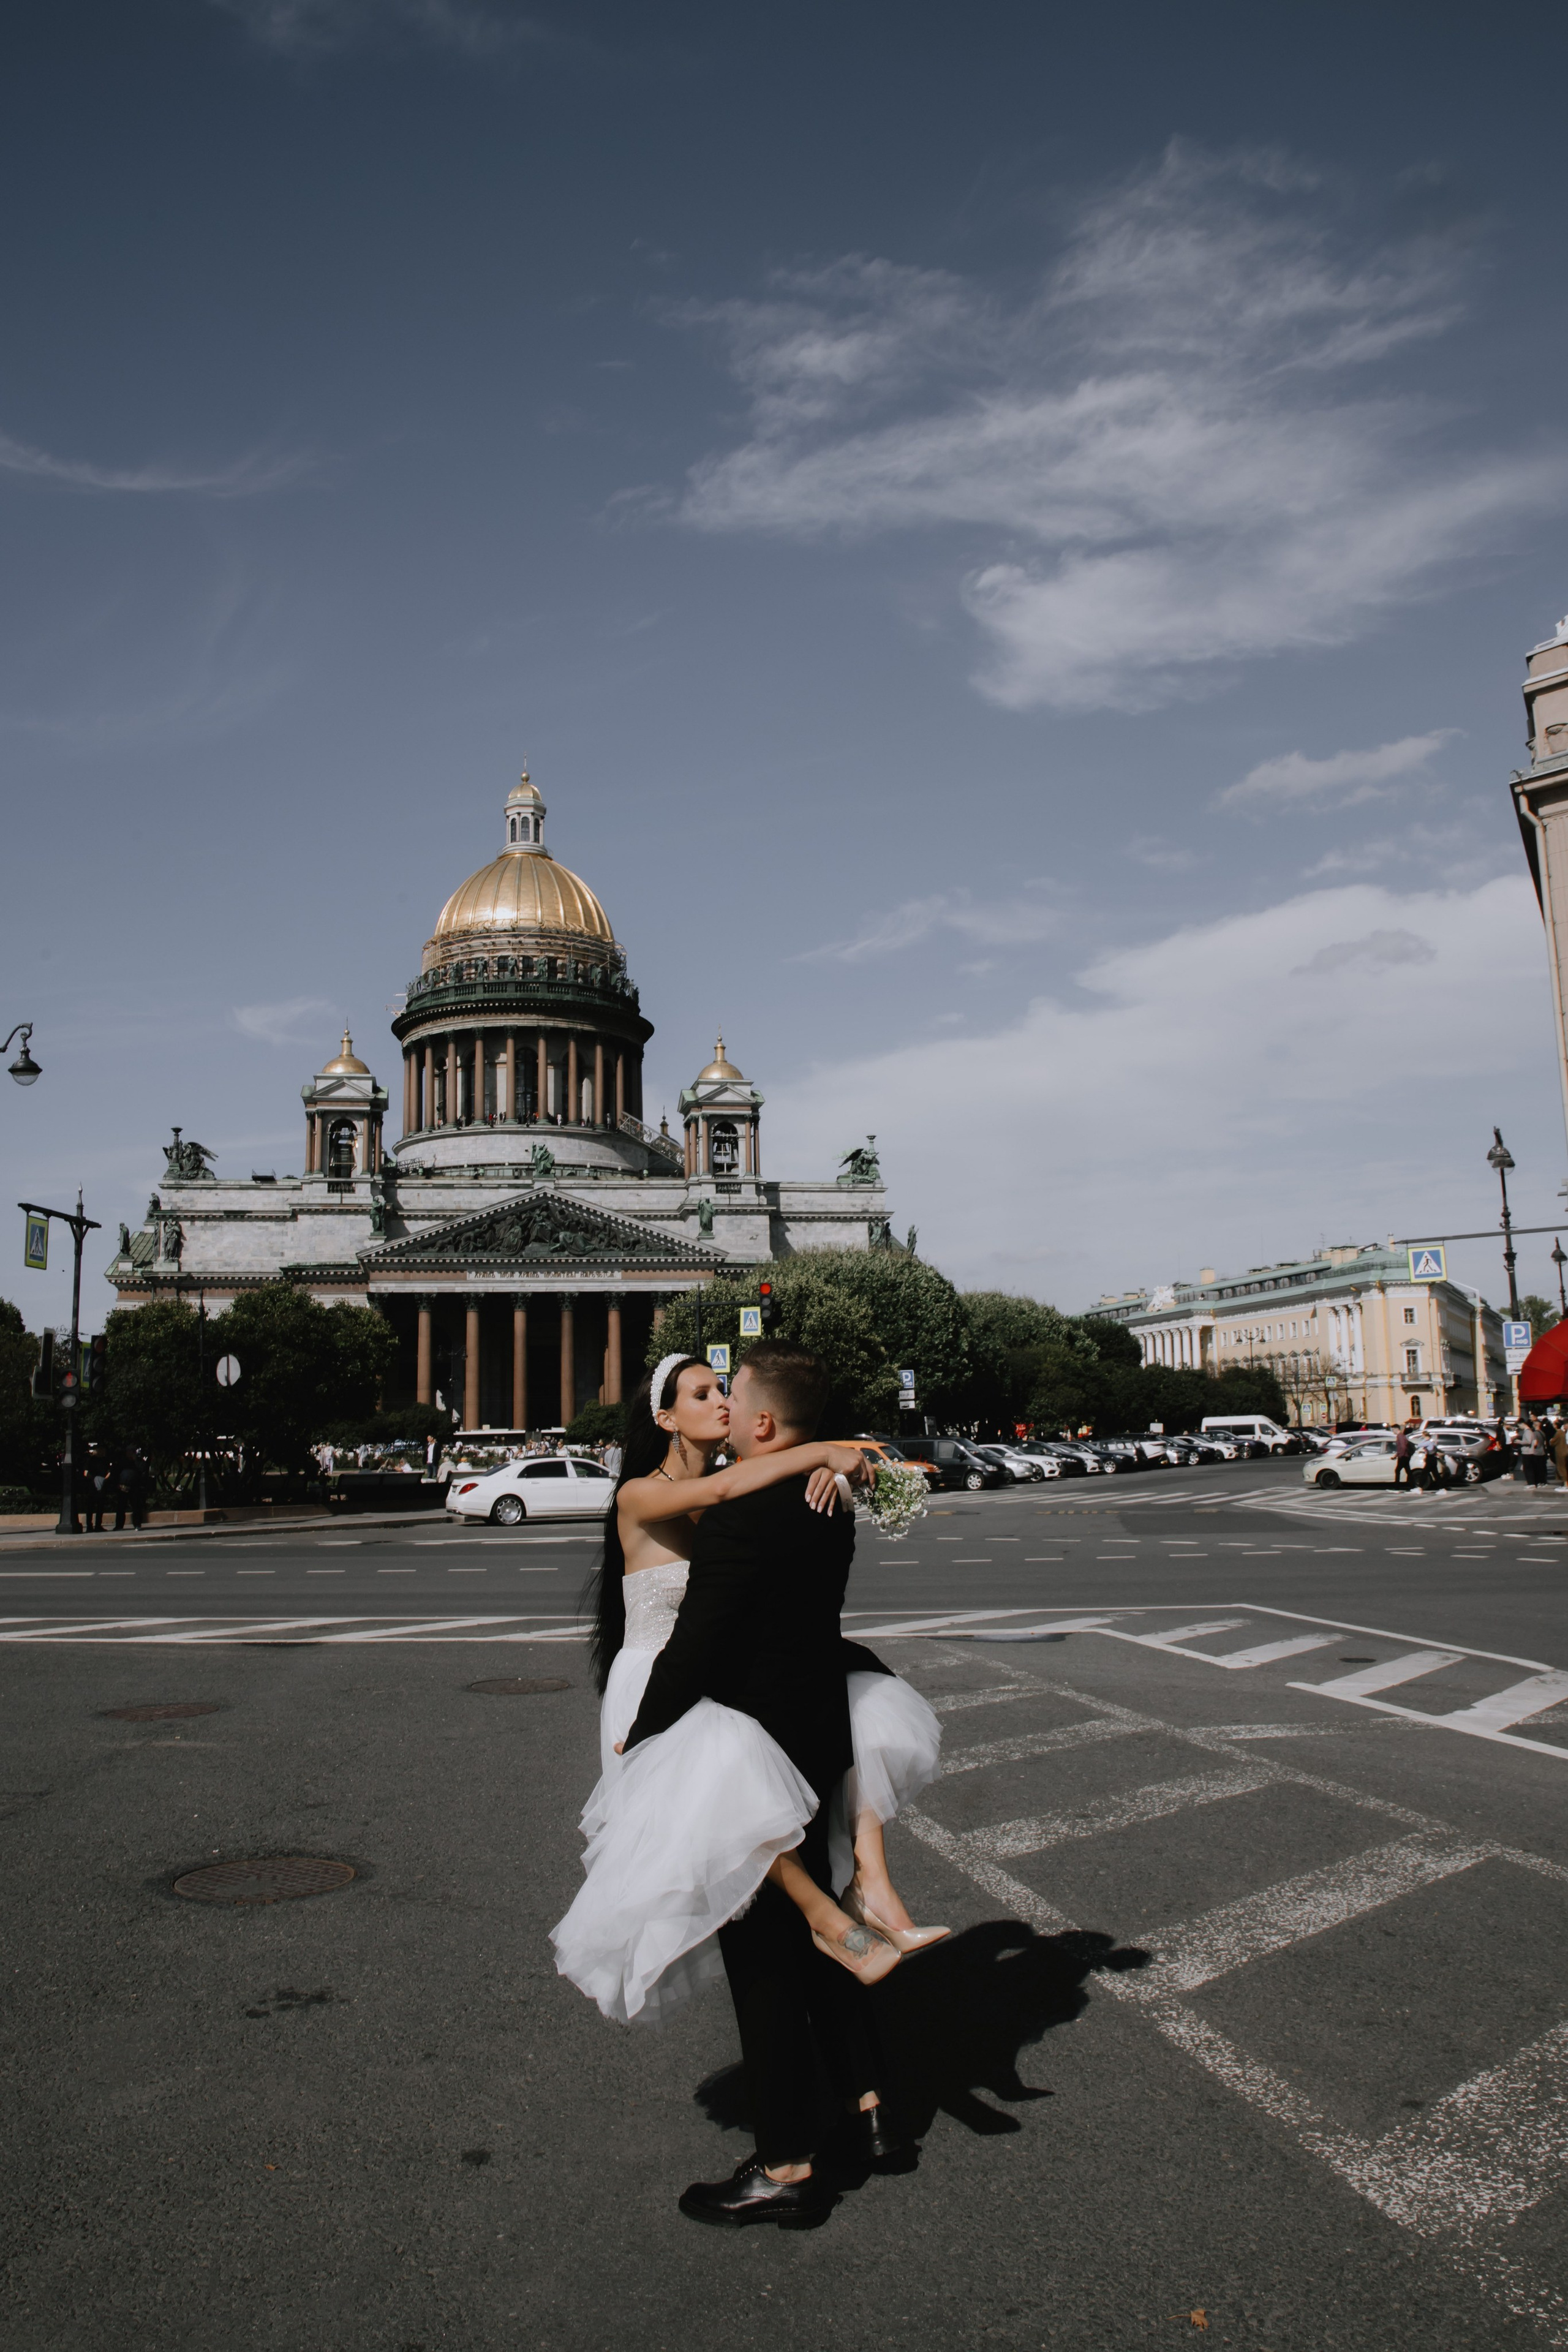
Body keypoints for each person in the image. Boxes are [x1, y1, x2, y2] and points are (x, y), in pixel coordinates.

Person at [555, 1344, 941, 2226]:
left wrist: (645, 1743)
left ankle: (787, 2165)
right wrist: (828, 1452)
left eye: (725, 1389)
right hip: (746, 1711)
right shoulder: (685, 1494)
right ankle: (868, 2101)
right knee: (797, 1905)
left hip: (710, 1711)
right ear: (665, 1418)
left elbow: (714, 1619)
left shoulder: (744, 1503)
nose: (720, 1401)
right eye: (703, 1392)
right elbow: (746, 1516)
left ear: (756, 1420)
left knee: (762, 1949)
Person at [1518, 1415, 1548, 1488]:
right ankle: (1543, 1482)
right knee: (1542, 1468)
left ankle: (1535, 1482)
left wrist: (1521, 1442)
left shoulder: (1534, 1433)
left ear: (1535, 1426)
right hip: (1543, 1452)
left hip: (1536, 1452)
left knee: (1534, 1469)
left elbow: (1535, 1443)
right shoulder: (1543, 1433)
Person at [1393, 1422, 1414, 1490]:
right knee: (1408, 1471)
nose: (1393, 1431)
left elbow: (1403, 1447)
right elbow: (1401, 1448)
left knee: (1397, 1471)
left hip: (1403, 1456)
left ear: (1396, 1429)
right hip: (1405, 1456)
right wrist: (1396, 1455)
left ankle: (1397, 1487)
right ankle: (1413, 1486)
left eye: (1393, 1430)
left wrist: (1401, 1455)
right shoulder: (1401, 1436)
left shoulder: (1400, 1436)